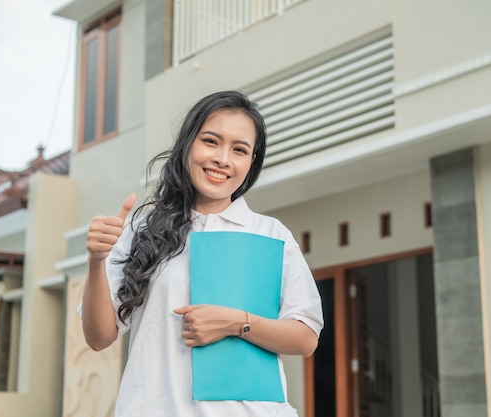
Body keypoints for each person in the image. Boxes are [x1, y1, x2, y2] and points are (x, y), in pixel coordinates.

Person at [82, 90, 323, 417]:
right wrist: (97, 261)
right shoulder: (142, 231)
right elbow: (99, 337)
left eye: (239, 150)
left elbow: (306, 338)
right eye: (211, 141)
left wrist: (237, 323)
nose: (223, 159)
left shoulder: (270, 234)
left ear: (251, 162)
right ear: (187, 144)